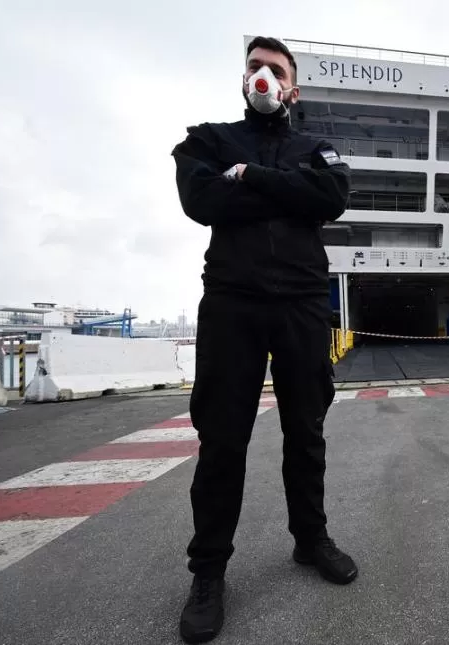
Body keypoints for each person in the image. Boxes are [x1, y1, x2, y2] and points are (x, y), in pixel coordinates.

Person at [170, 36, 357, 644]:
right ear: (243, 78)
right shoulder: (207, 139)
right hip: (233, 300)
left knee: (306, 429)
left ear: (292, 88)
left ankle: (311, 539)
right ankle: (209, 573)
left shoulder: (317, 147)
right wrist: (284, 186)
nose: (264, 77)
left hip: (303, 301)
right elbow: (200, 200)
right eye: (255, 67)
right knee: (223, 438)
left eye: (276, 70)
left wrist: (249, 177)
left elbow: (331, 198)